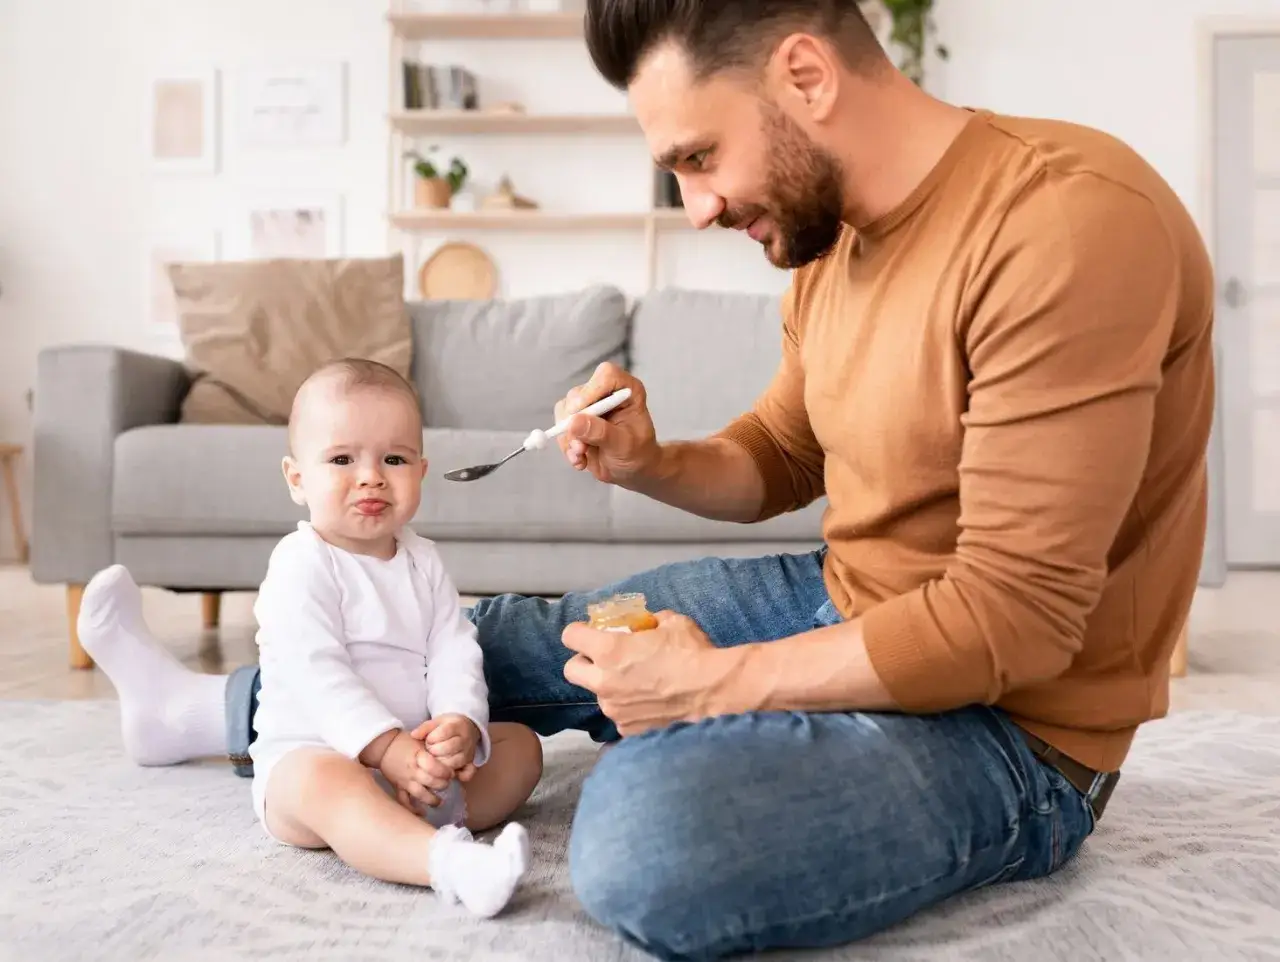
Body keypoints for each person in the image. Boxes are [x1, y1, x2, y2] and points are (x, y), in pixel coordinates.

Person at [76, 0, 1216, 958]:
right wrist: (652, 461)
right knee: (493, 642)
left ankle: (699, 753)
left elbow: (1011, 616)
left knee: (647, 839)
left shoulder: (1064, 223)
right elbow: (780, 454)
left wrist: (716, 686)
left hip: (1013, 728)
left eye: (697, 156)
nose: (697, 205)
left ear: (804, 74)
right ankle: (200, 711)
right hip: (850, 600)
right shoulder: (835, 247)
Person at [80, 359, 543, 919]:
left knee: (521, 747)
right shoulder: (302, 562)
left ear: (420, 472)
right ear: (297, 478)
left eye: (393, 459)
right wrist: (384, 748)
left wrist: (458, 723)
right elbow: (316, 674)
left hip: (412, 759)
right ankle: (447, 863)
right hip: (317, 755)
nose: (371, 476)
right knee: (324, 781)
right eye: (342, 459)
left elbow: (453, 646)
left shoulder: (423, 560)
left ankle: (401, 822)